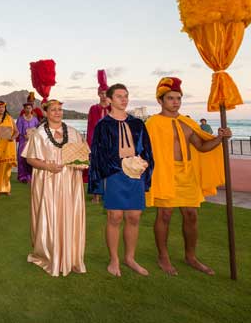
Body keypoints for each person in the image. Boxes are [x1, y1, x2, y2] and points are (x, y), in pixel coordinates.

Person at [146, 77, 229, 276]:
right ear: (160, 101)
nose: (175, 102)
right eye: (171, 98)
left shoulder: (187, 123)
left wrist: (219, 137)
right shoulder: (152, 123)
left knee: (191, 215)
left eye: (178, 98)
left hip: (187, 174)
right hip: (165, 173)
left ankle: (190, 256)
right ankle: (163, 256)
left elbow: (201, 146)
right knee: (164, 215)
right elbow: (144, 150)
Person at [89, 83, 154, 277]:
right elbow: (99, 154)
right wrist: (120, 165)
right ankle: (114, 260)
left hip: (135, 175)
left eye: (126, 96)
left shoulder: (137, 124)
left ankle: (130, 258)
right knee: (115, 217)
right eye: (119, 96)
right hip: (114, 174)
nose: (124, 99)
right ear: (109, 100)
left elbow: (146, 149)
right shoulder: (103, 125)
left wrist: (141, 164)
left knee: (134, 217)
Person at [23, 99, 87, 277]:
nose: (58, 112)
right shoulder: (39, 134)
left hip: (70, 182)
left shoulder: (73, 133)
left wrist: (81, 164)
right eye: (53, 110)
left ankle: (71, 256)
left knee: (69, 215)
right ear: (46, 113)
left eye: (60, 109)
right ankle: (49, 255)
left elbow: (84, 155)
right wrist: (47, 166)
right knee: (49, 216)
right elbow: (29, 159)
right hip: (47, 181)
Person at [86, 69, 111, 201]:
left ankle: (109, 193)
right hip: (96, 143)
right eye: (101, 93)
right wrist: (89, 144)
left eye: (105, 93)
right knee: (95, 168)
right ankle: (96, 195)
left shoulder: (112, 108)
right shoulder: (93, 108)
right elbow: (90, 127)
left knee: (110, 168)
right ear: (98, 94)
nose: (103, 95)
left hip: (110, 143)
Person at [0, 101, 18, 195]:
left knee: (6, 168)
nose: (1, 109)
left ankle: (5, 188)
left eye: (3, 107)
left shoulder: (10, 118)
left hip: (8, 145)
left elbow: (16, 132)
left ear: (5, 108)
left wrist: (12, 138)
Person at [16, 102, 39, 183]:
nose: (28, 109)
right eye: (26, 108)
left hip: (32, 141)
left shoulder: (35, 119)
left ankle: (31, 176)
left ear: (32, 109)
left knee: (31, 158)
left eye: (29, 108)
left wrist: (34, 136)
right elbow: (18, 130)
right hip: (23, 141)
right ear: (24, 109)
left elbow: (37, 130)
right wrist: (24, 135)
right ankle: (23, 177)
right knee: (22, 158)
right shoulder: (20, 119)